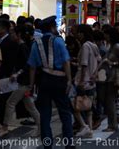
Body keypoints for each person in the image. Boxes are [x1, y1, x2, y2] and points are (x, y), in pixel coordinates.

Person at [28, 16, 75, 149]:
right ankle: (68, 144)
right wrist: (69, 80)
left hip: (43, 81)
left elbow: (32, 66)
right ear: (53, 28)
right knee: (65, 113)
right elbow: (66, 61)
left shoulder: (35, 43)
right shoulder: (59, 41)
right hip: (59, 79)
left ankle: (47, 145)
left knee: (45, 114)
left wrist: (31, 86)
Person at [2, 24, 40, 137]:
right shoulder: (21, 46)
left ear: (18, 34)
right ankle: (41, 127)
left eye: (12, 33)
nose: (10, 35)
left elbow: (27, 64)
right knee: (30, 106)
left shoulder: (23, 47)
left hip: (24, 82)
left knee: (10, 103)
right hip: (25, 82)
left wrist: (17, 74)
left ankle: (5, 127)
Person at [98, 27, 119, 132]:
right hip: (106, 77)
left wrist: (113, 63)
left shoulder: (116, 47)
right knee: (105, 100)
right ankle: (116, 117)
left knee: (109, 101)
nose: (104, 36)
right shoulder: (109, 46)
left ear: (110, 35)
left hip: (113, 78)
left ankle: (112, 125)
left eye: (106, 34)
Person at [73, 25, 101, 138]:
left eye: (79, 32)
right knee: (88, 107)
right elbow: (99, 61)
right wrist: (95, 74)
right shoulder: (94, 45)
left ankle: (84, 126)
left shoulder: (85, 46)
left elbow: (84, 64)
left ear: (83, 33)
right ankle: (89, 129)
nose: (78, 35)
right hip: (92, 81)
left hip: (83, 80)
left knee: (75, 105)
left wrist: (81, 81)